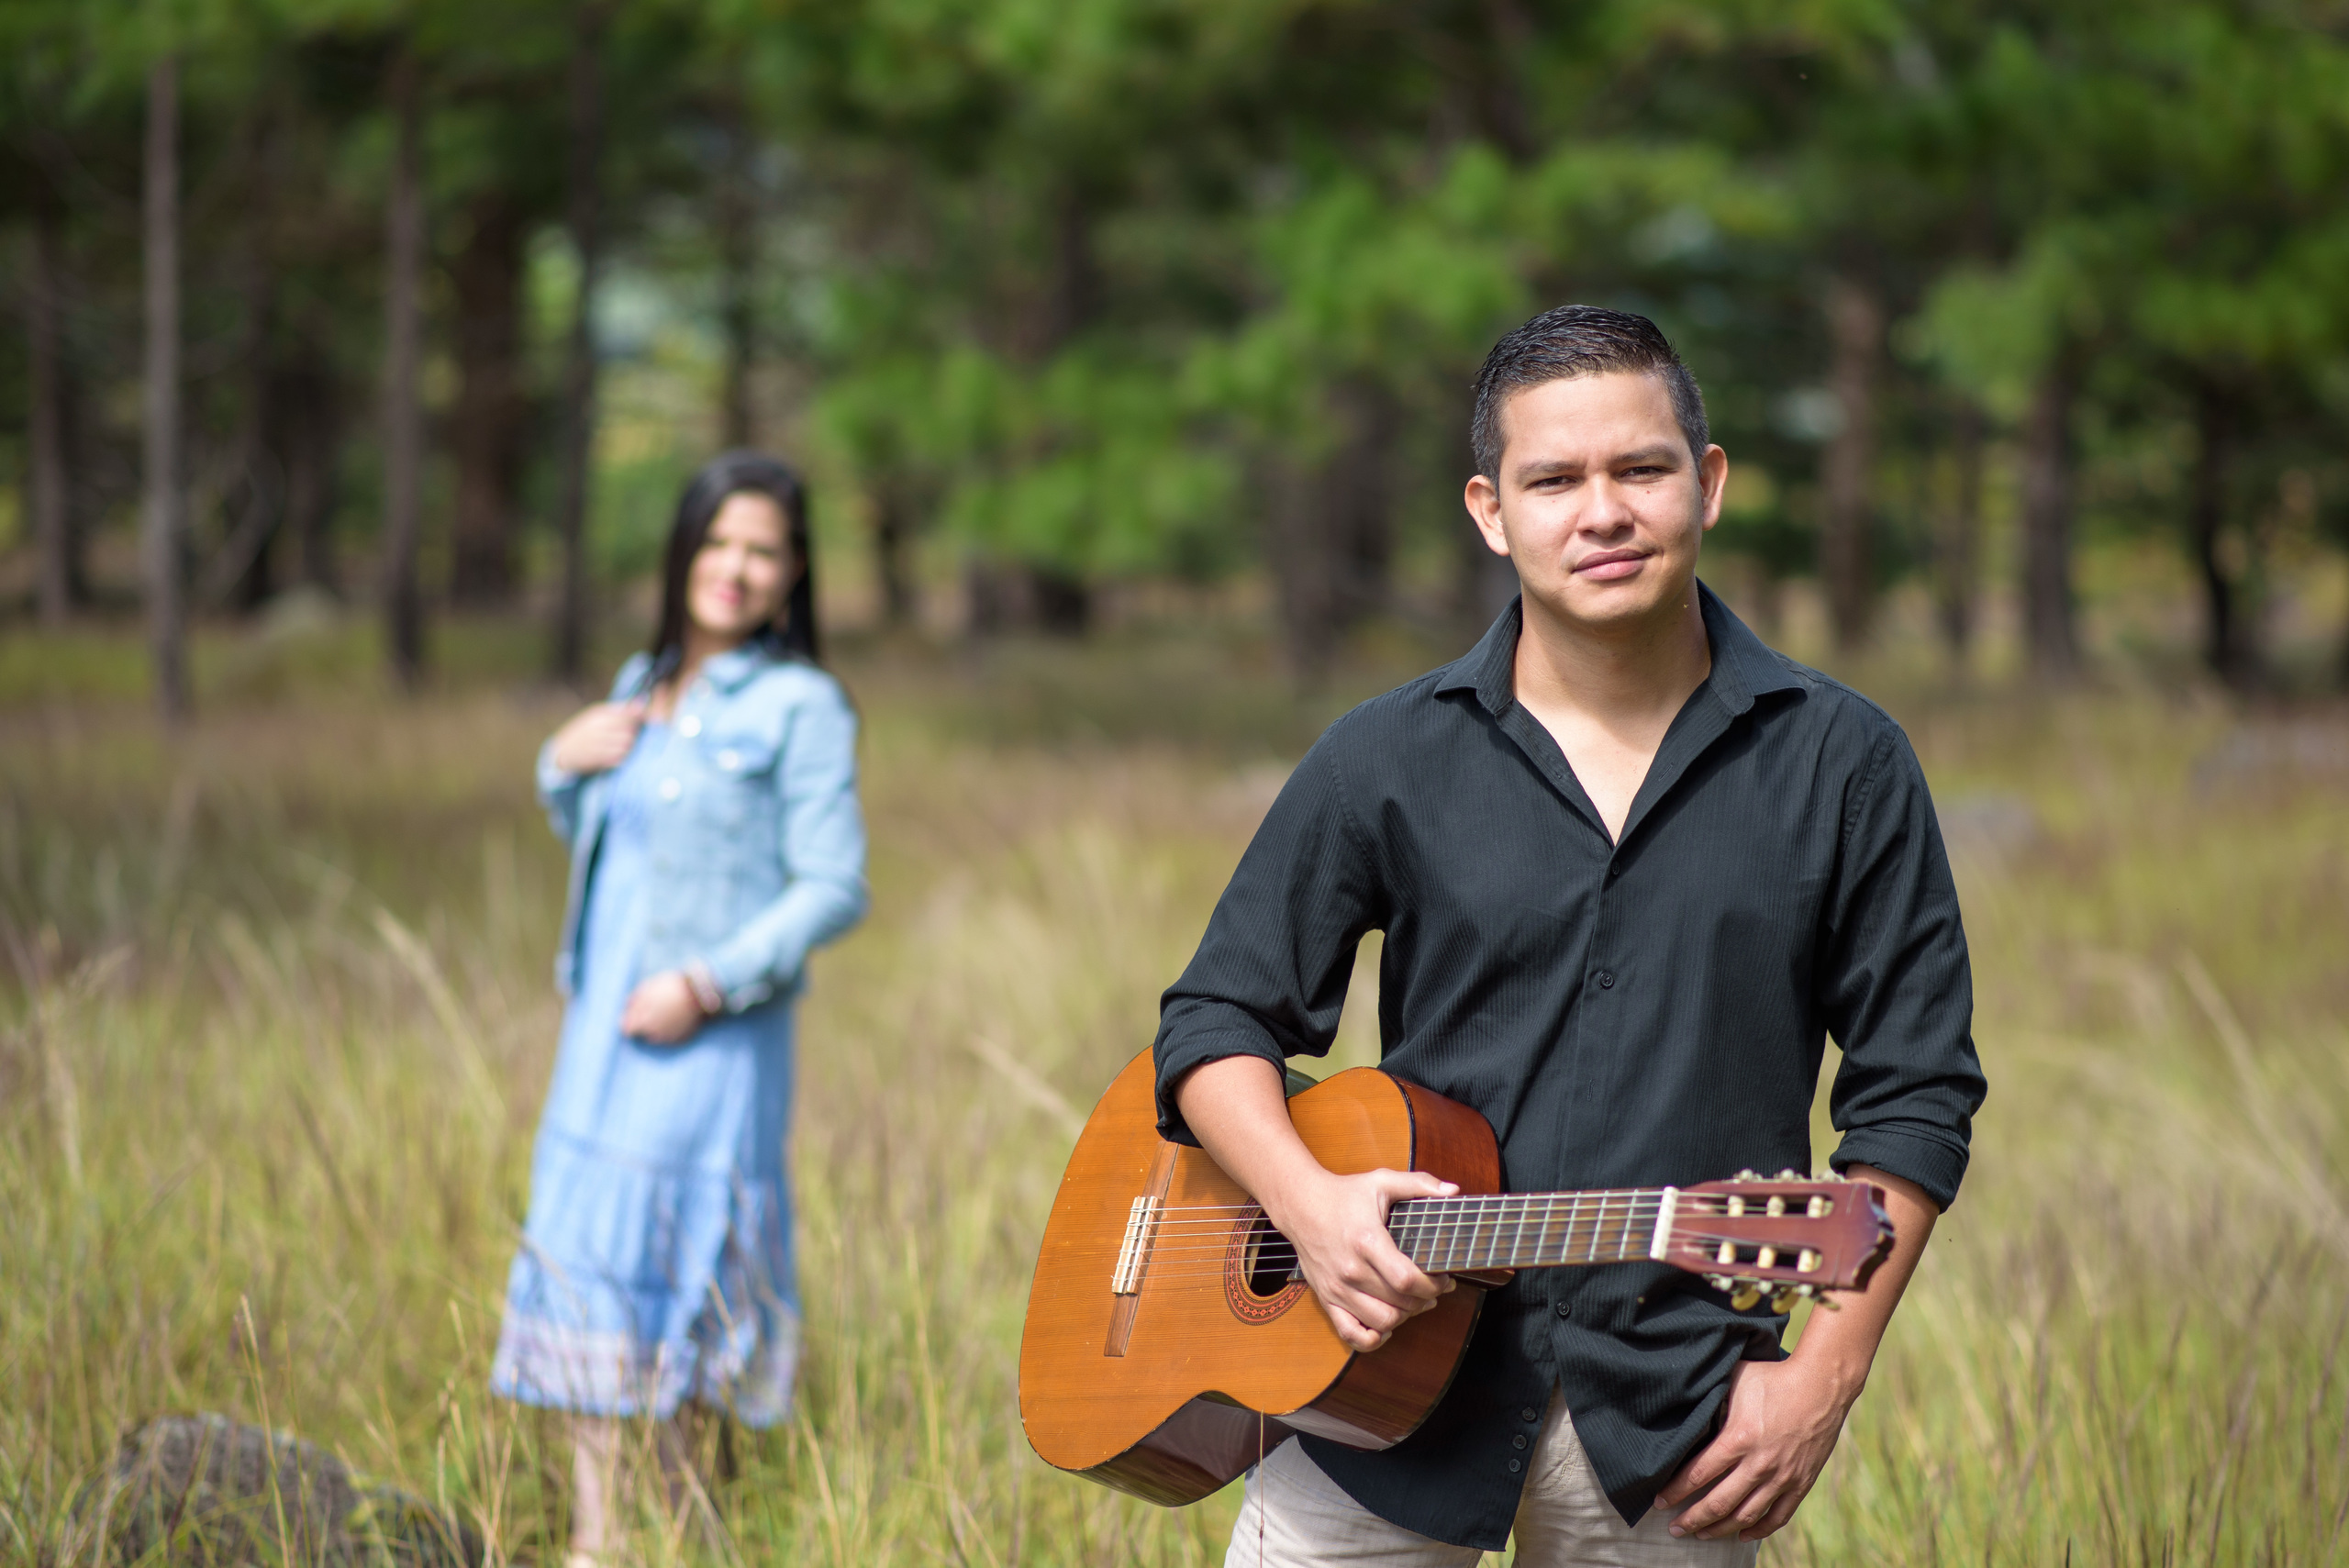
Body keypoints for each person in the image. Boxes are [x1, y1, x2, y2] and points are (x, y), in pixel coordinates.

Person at [1154, 306, 1985, 1566]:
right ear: (1491, 511)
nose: (1602, 512)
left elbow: (1914, 1095)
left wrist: (1823, 1374)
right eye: (1553, 480)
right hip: (1368, 1391)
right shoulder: (1383, 754)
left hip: (1679, 1422)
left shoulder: (1845, 762)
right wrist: (1308, 1206)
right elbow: (1216, 1021)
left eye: (1640, 468)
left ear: (1707, 483)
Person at [489, 451, 868, 1564]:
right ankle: (599, 1541)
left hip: (709, 1042)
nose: (735, 568)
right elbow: (621, 850)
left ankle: (671, 1532)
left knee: (679, 1270)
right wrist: (558, 763)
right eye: (718, 542)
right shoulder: (639, 681)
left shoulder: (803, 706)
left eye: (763, 550)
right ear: (683, 551)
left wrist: (705, 981)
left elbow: (834, 884)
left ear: (794, 573)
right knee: (587, 1265)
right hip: (600, 1035)